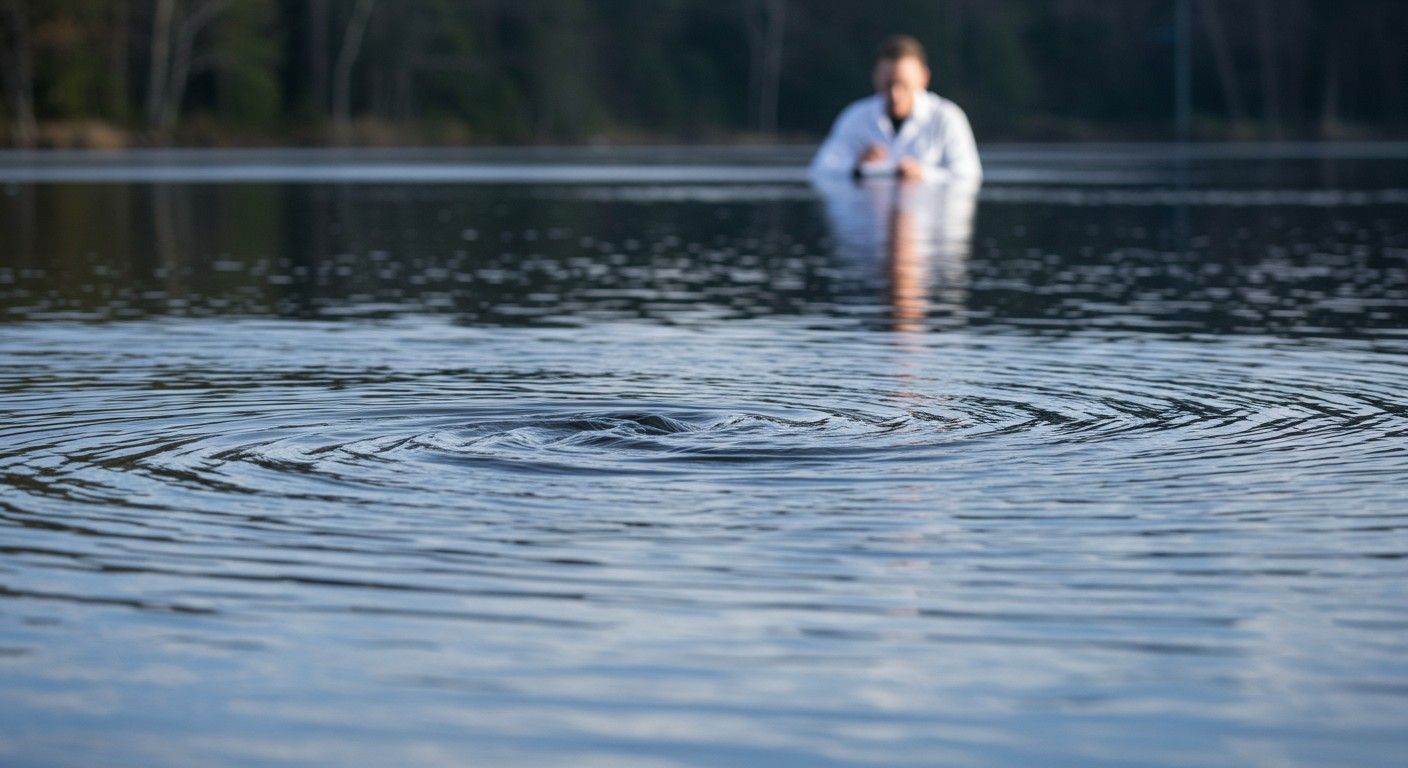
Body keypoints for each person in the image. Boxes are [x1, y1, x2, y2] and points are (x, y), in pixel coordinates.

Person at [809, 35, 982, 183]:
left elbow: (969, 175)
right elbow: (820, 170)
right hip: (871, 218)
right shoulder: (855, 116)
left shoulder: (947, 117)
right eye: (888, 84)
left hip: (928, 217)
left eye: (903, 85)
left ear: (924, 78)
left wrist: (923, 174)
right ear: (875, 77)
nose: (894, 94)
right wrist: (856, 166)